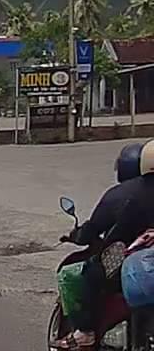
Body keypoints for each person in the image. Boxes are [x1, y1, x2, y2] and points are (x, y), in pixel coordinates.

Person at [53, 140, 154, 349]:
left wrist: (77, 235)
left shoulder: (121, 193)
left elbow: (94, 227)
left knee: (89, 274)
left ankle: (85, 332)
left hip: (129, 257)